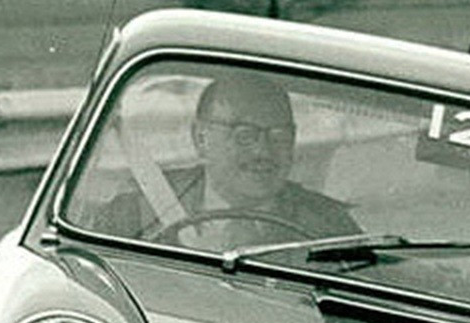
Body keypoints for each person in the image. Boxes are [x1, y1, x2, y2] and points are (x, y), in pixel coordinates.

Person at [102, 72, 359, 246]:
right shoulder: (140, 211)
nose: (263, 152)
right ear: (201, 139)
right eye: (244, 135)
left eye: (279, 137)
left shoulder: (330, 229)